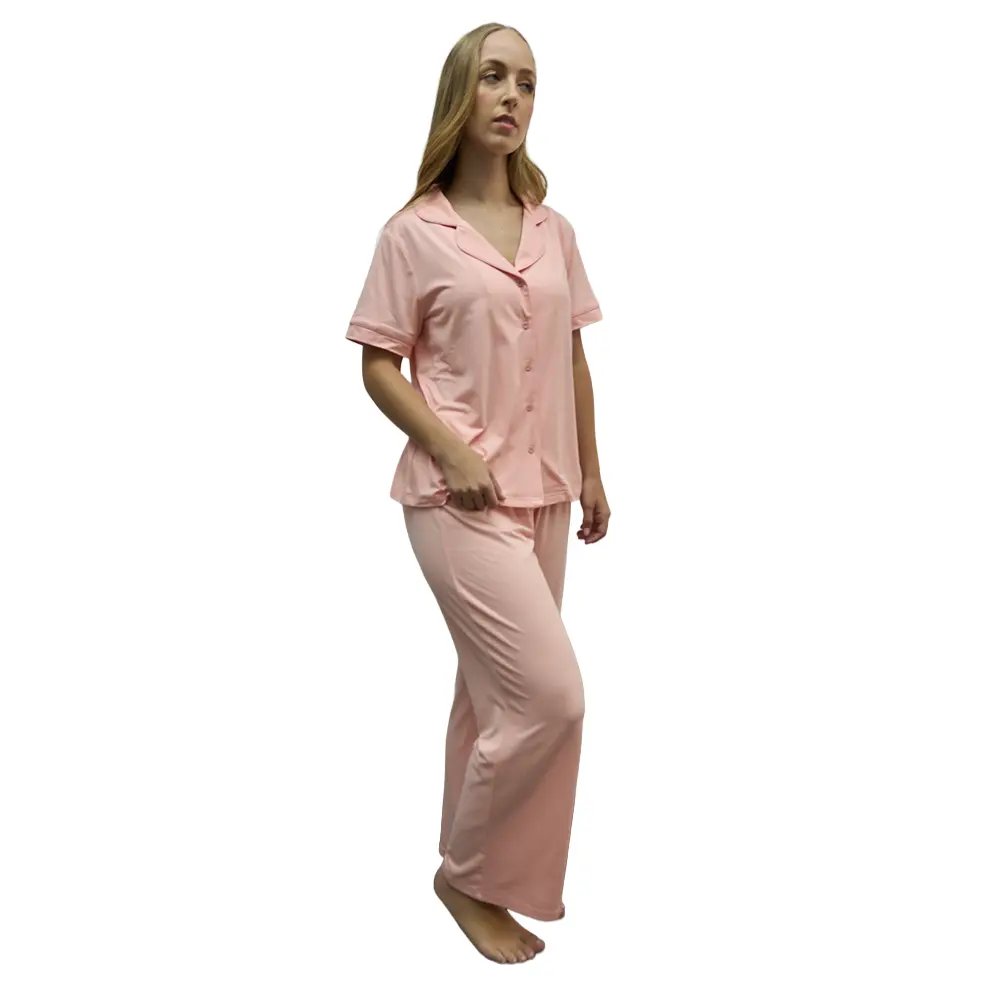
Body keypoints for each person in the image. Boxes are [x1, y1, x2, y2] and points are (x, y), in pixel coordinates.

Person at [345, 22, 611, 964]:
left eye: (527, 83)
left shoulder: (553, 229)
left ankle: (486, 875)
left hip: (547, 491)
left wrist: (592, 469)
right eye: (494, 77)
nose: (512, 96)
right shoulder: (412, 233)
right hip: (457, 499)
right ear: (461, 93)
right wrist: (449, 448)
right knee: (552, 698)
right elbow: (378, 365)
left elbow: (570, 356)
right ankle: (465, 877)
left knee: (495, 699)